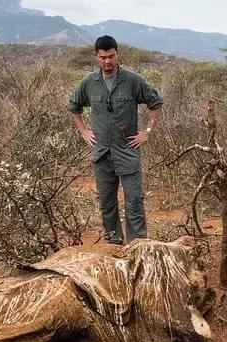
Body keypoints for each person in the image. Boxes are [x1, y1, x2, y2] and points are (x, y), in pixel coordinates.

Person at [68, 35, 163, 244]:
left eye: (111, 56)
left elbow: (155, 103)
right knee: (107, 202)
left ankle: (138, 245)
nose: (107, 61)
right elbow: (73, 106)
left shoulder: (132, 80)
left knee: (134, 201)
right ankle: (113, 243)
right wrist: (84, 131)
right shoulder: (89, 83)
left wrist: (146, 131)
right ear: (96, 57)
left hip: (127, 150)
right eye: (103, 57)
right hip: (102, 153)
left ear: (117, 54)